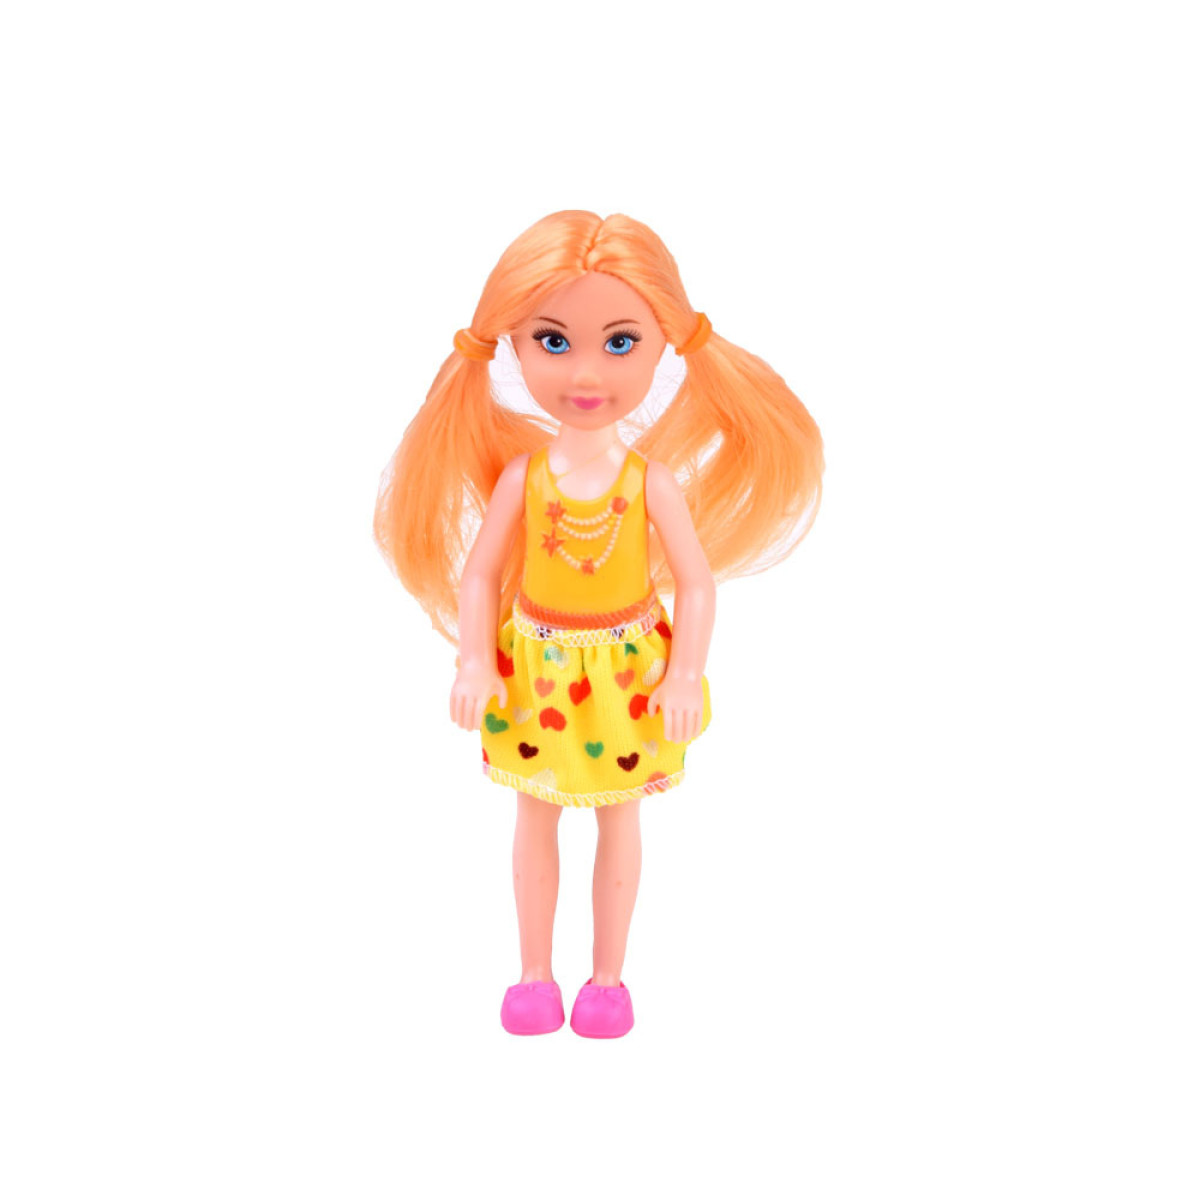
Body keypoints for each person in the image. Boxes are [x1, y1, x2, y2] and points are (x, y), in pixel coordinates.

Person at [374, 211, 823, 1037]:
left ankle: (608, 982)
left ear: (664, 347)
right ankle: (534, 975)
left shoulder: (650, 482)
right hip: (536, 671)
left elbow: (698, 584)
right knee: (534, 820)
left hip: (626, 677)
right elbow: (480, 574)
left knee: (621, 820)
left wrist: (684, 674)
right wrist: (473, 660)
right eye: (553, 341)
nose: (585, 372)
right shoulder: (524, 477)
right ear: (513, 347)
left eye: (620, 343)